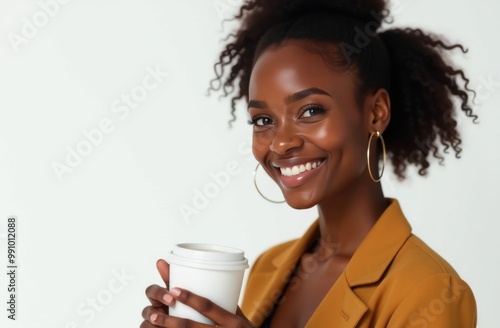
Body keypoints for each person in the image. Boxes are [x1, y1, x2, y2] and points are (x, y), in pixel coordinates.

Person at [140, 0, 477, 326]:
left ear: (376, 113)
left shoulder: (429, 290)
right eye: (262, 120)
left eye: (311, 111)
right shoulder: (268, 267)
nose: (281, 142)